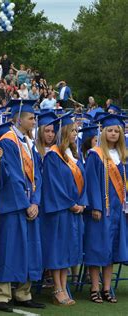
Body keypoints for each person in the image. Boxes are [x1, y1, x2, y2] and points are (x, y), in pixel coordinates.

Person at [0, 100, 45, 312]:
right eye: (31, 118)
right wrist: (26, 204)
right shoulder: (8, 141)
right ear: (18, 118)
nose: (34, 121)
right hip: (13, 206)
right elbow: (11, 177)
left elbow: (37, 177)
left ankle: (23, 293)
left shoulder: (28, 144)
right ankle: (1, 295)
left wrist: (36, 202)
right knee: (9, 249)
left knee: (29, 249)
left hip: (30, 205)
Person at [40, 113, 87, 306]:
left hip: (74, 210)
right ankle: (57, 289)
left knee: (68, 251)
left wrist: (82, 202)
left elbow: (84, 181)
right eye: (73, 130)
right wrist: (70, 204)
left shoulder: (75, 155)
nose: (76, 133)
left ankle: (64, 286)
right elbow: (53, 185)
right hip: (59, 211)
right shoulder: (53, 155)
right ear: (65, 132)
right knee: (57, 250)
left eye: (77, 130)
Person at [84, 114, 128, 304]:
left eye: (116, 131)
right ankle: (94, 288)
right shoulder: (96, 154)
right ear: (103, 132)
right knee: (97, 248)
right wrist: (95, 206)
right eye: (109, 130)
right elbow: (91, 181)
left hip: (118, 210)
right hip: (101, 210)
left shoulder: (123, 156)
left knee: (110, 249)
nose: (113, 134)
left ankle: (107, 288)